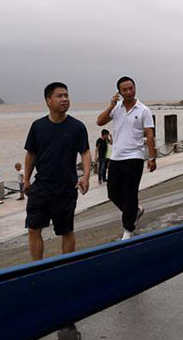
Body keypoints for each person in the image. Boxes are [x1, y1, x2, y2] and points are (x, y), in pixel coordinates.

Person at [23, 82, 91, 259]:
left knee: (66, 230)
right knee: (33, 229)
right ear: (48, 100)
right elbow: (31, 153)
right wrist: (26, 179)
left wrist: (85, 176)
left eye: (66, 95)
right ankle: (37, 268)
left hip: (66, 188)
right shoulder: (38, 126)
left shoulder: (77, 127)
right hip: (41, 187)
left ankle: (66, 266)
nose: (64, 99)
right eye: (59, 96)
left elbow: (85, 152)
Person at [96, 76, 156, 241]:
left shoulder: (143, 110)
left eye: (131, 88)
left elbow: (150, 134)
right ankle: (134, 211)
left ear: (135, 88)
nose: (129, 92)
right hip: (116, 157)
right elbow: (99, 122)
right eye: (125, 90)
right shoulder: (116, 108)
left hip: (135, 157)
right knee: (112, 192)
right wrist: (111, 105)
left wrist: (152, 157)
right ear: (119, 92)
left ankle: (128, 229)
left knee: (130, 193)